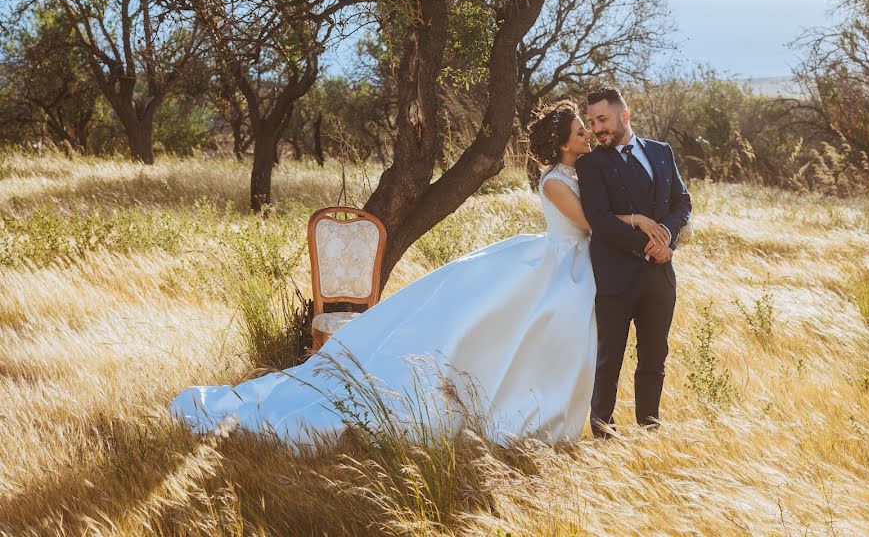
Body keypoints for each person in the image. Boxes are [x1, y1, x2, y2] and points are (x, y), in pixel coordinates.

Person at [171, 98, 599, 449]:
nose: (588, 135)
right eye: (581, 131)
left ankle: (544, 418)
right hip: (559, 262)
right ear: (563, 142)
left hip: (575, 266)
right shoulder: (556, 181)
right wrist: (633, 220)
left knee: (544, 341)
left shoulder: (582, 172)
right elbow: (587, 223)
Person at [575, 86, 692, 436]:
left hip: (660, 275)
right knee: (608, 360)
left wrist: (666, 238)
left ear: (624, 116)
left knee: (654, 358)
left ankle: (649, 431)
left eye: (603, 120)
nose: (597, 129)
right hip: (614, 277)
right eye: (592, 122)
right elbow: (600, 219)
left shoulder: (661, 151)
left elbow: (682, 203)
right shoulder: (590, 164)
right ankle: (603, 434)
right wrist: (647, 245)